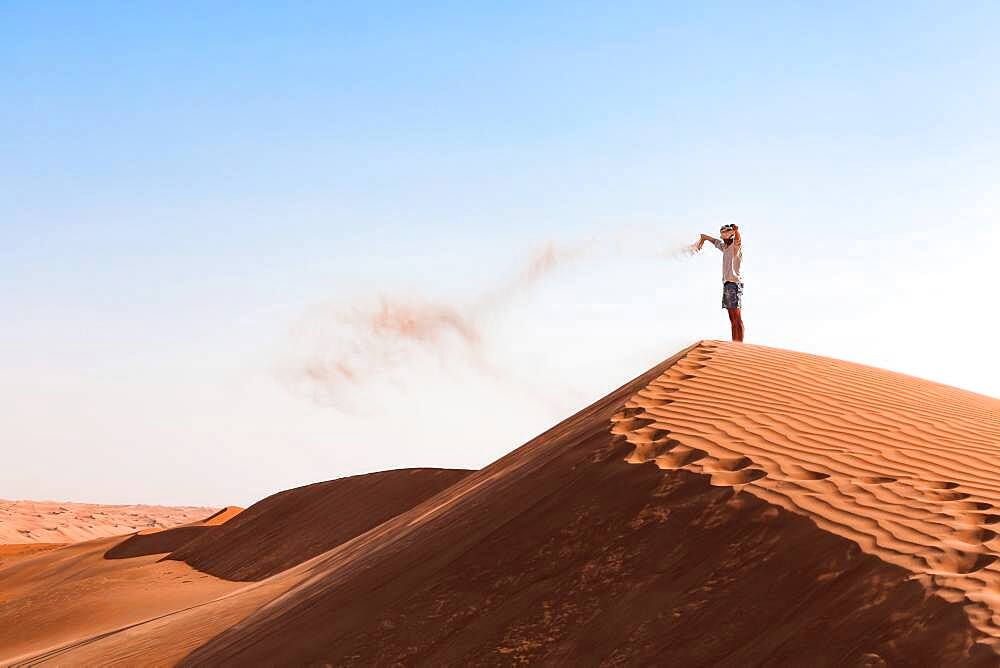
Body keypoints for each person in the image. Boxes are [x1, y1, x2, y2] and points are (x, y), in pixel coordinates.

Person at [693, 224, 744, 342]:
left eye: (726, 234)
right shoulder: (724, 247)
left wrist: (736, 231)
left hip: (734, 283)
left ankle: (740, 345)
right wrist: (703, 238)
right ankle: (735, 343)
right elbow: (713, 240)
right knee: (732, 318)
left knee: (737, 317)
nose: (724, 237)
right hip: (727, 284)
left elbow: (738, 239)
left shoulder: (735, 246)